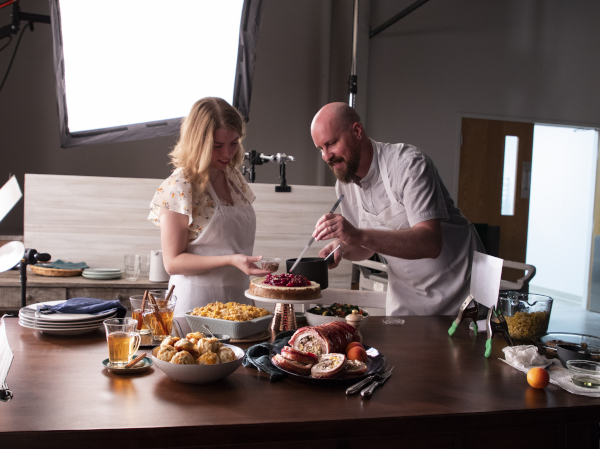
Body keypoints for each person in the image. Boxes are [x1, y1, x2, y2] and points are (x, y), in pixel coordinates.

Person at [311, 103, 484, 316]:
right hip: (407, 299)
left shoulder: (409, 165)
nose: (326, 156)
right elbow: (366, 247)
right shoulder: (344, 185)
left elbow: (430, 243)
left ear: (357, 131)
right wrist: (342, 247)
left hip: (458, 292)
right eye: (321, 148)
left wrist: (357, 234)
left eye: (332, 144)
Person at [148, 97, 270, 316]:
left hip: (239, 305)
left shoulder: (234, 178)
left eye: (234, 143)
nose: (227, 153)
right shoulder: (180, 186)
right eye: (217, 146)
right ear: (198, 143)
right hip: (195, 307)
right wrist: (231, 260)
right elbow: (173, 262)